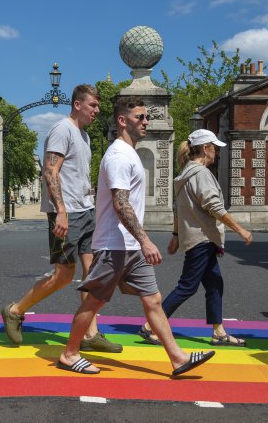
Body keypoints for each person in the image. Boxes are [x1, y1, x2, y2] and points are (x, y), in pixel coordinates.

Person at [55, 97, 214, 376]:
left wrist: (140, 243)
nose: (146, 122)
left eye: (146, 117)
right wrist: (145, 240)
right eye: (140, 117)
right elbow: (121, 203)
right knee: (94, 302)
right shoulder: (118, 156)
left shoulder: (131, 154)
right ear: (122, 121)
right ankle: (69, 354)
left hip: (130, 246)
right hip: (114, 245)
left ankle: (178, 359)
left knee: (153, 300)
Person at [2, 85, 122, 353]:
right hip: (66, 212)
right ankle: (15, 310)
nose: (97, 110)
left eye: (98, 106)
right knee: (64, 275)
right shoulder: (62, 129)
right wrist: (61, 211)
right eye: (93, 105)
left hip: (86, 210)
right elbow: (50, 171)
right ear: (78, 104)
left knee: (92, 274)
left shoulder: (84, 136)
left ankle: (90, 333)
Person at [138, 130, 253, 346]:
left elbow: (178, 209)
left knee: (215, 284)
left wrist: (175, 235)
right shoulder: (201, 174)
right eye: (215, 148)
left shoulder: (185, 174)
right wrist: (240, 229)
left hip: (197, 238)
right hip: (203, 238)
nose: (217, 153)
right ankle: (152, 325)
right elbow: (214, 206)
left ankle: (219, 332)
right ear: (205, 148)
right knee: (187, 286)